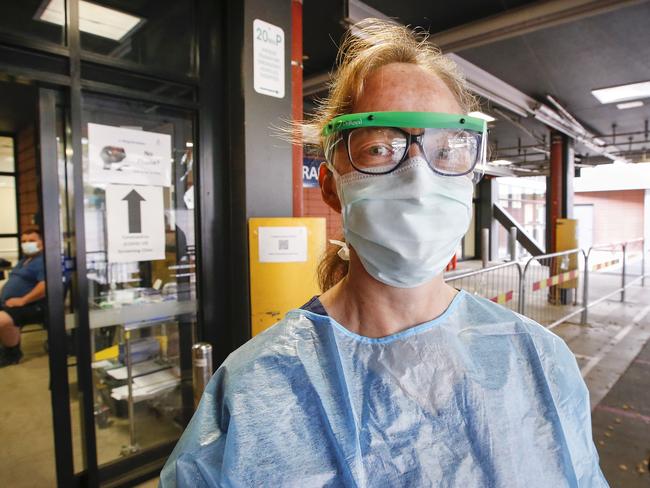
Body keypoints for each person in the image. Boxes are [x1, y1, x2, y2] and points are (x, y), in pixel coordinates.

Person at [160, 20, 607, 487]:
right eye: (379, 148)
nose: (418, 179)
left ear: (469, 177)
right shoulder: (256, 390)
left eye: (447, 150)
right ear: (332, 186)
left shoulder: (539, 361)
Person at [0, 228, 46, 367]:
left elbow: (45, 286)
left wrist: (22, 300)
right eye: (24, 241)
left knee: (2, 320)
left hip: (32, 305)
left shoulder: (44, 261)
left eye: (32, 241)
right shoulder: (25, 260)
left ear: (42, 243)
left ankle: (11, 354)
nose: (27, 244)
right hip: (9, 302)